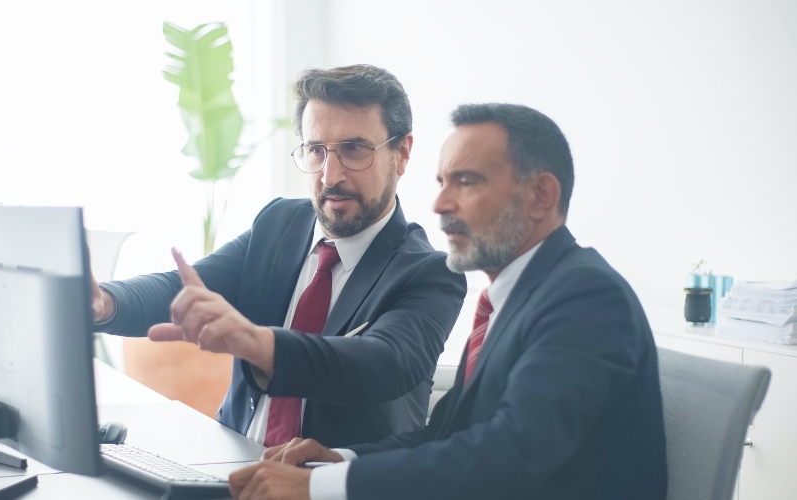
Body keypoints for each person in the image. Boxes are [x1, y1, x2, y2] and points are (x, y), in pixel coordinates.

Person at [229, 103, 668, 499]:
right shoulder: (516, 299)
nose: (440, 203)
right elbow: (445, 434)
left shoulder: (585, 298)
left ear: (540, 196)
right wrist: (341, 460)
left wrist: (316, 487)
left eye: (467, 181)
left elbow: (509, 457)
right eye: (442, 182)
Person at [91, 64, 467, 448]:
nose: (329, 174)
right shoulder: (279, 224)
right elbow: (184, 289)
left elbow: (380, 363)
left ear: (401, 154)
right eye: (315, 150)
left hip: (327, 483)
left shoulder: (430, 274)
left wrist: (256, 343)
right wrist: (103, 303)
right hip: (228, 467)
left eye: (354, 150)